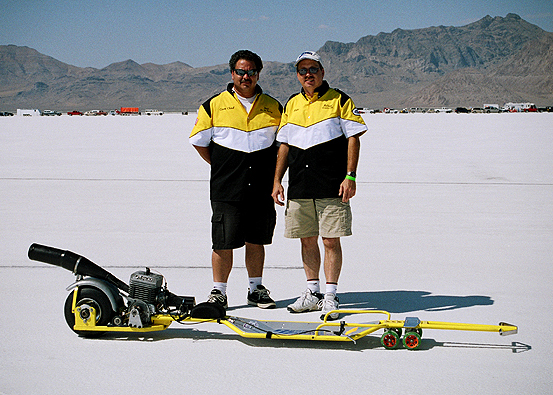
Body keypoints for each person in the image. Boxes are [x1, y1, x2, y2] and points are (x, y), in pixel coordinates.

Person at [272, 51, 366, 320]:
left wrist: (351, 176)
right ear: (297, 75)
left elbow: (353, 137)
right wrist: (277, 180)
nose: (308, 74)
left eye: (313, 69)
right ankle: (311, 293)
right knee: (307, 239)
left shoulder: (339, 99)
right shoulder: (292, 103)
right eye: (302, 70)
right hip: (300, 185)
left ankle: (330, 296)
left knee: (330, 240)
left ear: (323, 72)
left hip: (331, 185)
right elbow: (284, 145)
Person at [190, 50, 282, 309]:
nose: (246, 76)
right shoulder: (214, 105)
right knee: (223, 241)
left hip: (262, 187)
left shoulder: (273, 106)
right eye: (241, 71)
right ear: (232, 74)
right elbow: (199, 142)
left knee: (257, 239)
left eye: (251, 72)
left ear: (258, 74)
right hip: (227, 187)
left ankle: (256, 289)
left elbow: (281, 144)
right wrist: (222, 166)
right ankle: (219, 291)